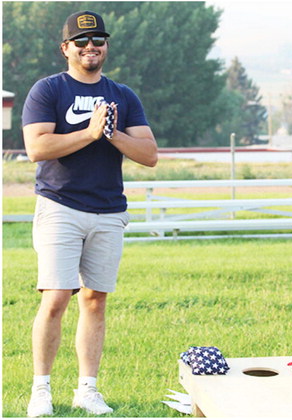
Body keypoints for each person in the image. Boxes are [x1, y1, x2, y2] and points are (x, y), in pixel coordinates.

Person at [22, 10, 158, 417]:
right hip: (60, 205)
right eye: (81, 41)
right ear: (66, 49)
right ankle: (41, 389)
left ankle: (88, 389)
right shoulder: (48, 90)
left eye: (98, 39)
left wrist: (113, 133)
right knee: (56, 297)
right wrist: (89, 132)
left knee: (95, 300)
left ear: (106, 46)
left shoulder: (123, 95)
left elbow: (149, 155)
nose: (90, 46)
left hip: (108, 211)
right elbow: (37, 148)